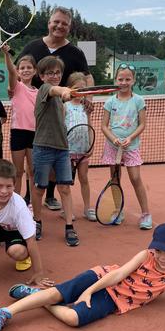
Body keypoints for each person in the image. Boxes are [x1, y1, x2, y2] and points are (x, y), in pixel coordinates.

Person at [0, 223, 165, 331]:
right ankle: (6, 312)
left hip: (115, 301)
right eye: (160, 251)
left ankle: (38, 298)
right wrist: (90, 290)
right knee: (58, 293)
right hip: (102, 278)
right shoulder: (145, 256)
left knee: (72, 318)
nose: (163, 257)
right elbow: (119, 274)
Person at [18, 7, 94, 211]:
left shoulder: (76, 52)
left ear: (69, 27)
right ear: (49, 23)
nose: (59, 26)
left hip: (61, 112)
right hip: (33, 112)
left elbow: (87, 77)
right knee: (34, 158)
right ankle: (30, 195)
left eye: (64, 23)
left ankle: (51, 195)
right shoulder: (32, 46)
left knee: (56, 153)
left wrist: (88, 96)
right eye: (56, 22)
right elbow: (19, 73)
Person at [31, 55, 79, 247]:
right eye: (49, 73)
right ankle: (36, 222)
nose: (54, 76)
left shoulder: (62, 101)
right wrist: (64, 90)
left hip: (62, 149)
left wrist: (68, 94)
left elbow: (61, 95)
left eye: (57, 72)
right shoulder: (44, 89)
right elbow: (54, 89)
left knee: (65, 189)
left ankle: (69, 227)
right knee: (39, 188)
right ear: (41, 76)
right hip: (42, 147)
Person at [100, 63, 153, 230]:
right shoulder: (110, 102)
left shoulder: (138, 100)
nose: (124, 82)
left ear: (133, 80)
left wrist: (130, 138)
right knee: (115, 179)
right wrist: (114, 139)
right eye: (121, 79)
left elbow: (142, 124)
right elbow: (104, 126)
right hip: (113, 146)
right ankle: (118, 211)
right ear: (116, 79)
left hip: (131, 146)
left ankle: (146, 214)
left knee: (136, 179)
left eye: (127, 79)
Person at [4, 47, 37, 205]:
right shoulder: (16, 87)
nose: (25, 70)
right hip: (18, 133)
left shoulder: (39, 92)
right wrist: (6, 54)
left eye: (29, 67)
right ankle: (16, 203)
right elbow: (11, 71)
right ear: (18, 71)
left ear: (35, 71)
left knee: (32, 172)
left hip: (34, 135)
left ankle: (30, 201)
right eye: (22, 68)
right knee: (18, 172)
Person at [65, 72, 96, 221]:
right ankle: (67, 210)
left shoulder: (86, 107)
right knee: (66, 183)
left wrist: (91, 145)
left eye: (84, 89)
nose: (80, 92)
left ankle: (87, 208)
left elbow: (89, 125)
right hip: (68, 151)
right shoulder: (65, 106)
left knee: (84, 178)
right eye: (77, 88)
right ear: (69, 89)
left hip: (83, 150)